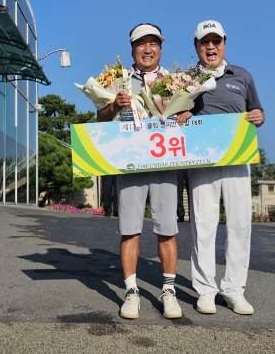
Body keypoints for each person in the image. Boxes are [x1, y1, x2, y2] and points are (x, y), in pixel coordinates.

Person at [176, 20, 264, 316]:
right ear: (196, 46)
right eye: (205, 42)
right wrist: (181, 113)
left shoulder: (242, 75)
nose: (210, 46)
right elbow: (171, 113)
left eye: (216, 41)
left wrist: (259, 115)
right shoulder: (185, 79)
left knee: (240, 223)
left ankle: (234, 290)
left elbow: (256, 109)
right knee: (203, 224)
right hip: (201, 159)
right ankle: (205, 290)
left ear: (224, 43)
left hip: (238, 156)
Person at [96, 23, 182, 320]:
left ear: (161, 48)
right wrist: (113, 106)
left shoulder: (175, 80)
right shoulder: (117, 78)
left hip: (165, 163)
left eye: (153, 43)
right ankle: (131, 292)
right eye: (141, 44)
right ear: (132, 49)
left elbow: (188, 115)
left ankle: (168, 291)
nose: (148, 49)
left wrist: (186, 112)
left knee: (167, 229)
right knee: (130, 229)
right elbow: (101, 118)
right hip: (130, 163)